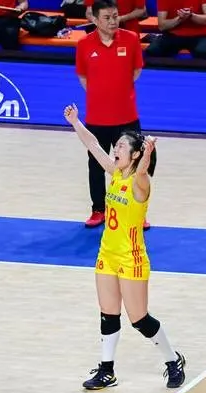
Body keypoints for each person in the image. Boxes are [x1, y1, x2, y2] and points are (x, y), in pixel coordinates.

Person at [63, 103, 186, 390]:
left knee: (139, 319)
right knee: (108, 314)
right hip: (107, 254)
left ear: (135, 155)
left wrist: (148, 152)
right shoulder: (115, 173)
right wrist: (76, 122)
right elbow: (93, 145)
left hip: (132, 258)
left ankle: (172, 360)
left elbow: (141, 171)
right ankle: (107, 370)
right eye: (116, 145)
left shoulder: (140, 183)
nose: (115, 149)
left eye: (120, 146)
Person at [75, 0, 151, 230]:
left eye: (115, 16)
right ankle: (98, 209)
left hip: (127, 116)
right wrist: (102, 95)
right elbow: (83, 77)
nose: (113, 21)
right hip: (97, 117)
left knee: (134, 165)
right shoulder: (84, 44)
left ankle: (137, 211)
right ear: (95, 19)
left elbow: (136, 70)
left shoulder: (131, 39)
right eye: (107, 18)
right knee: (96, 164)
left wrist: (119, 91)